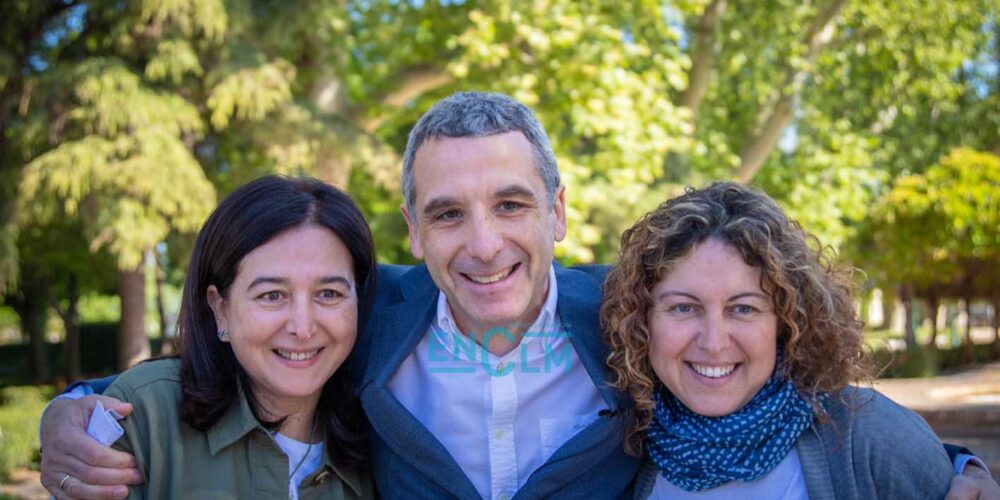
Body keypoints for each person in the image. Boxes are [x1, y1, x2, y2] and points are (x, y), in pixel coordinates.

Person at [38, 93, 999, 500]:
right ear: (411, 233)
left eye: (511, 204)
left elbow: (793, 392)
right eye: (448, 214)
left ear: (558, 213)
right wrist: (70, 414)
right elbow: (238, 351)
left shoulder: (634, 324)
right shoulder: (361, 323)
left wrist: (953, 466)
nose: (485, 242)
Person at [601, 182, 960, 498]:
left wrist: (966, 467)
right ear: (641, 321)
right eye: (683, 307)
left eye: (743, 309)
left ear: (787, 321)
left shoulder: (872, 439)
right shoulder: (622, 448)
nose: (713, 342)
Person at [62, 176, 376, 499]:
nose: (303, 327)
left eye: (329, 293)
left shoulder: (380, 439)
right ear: (220, 309)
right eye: (271, 295)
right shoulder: (147, 418)